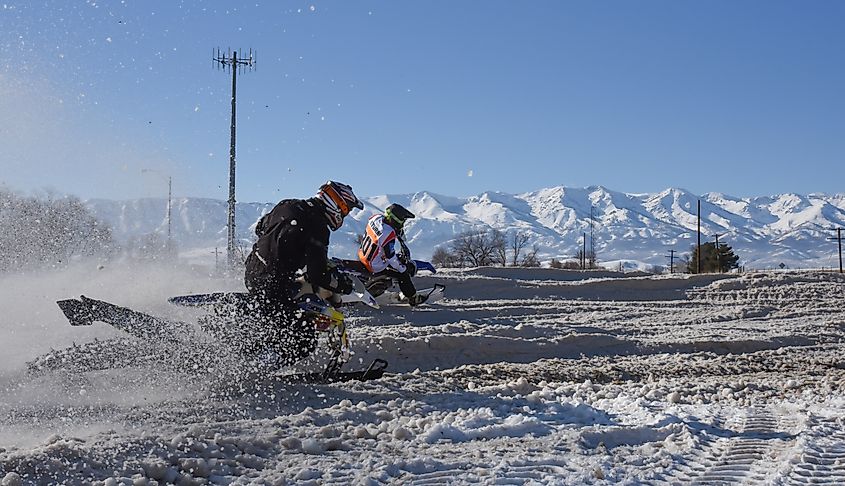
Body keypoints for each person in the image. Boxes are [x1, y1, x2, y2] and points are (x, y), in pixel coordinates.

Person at [240, 180, 363, 364]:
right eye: (346, 209)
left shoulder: (288, 204)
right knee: (303, 339)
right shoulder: (318, 226)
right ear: (336, 204)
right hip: (274, 284)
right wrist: (343, 284)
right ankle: (256, 368)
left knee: (282, 318)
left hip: (252, 271)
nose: (345, 215)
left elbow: (260, 227)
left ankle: (256, 351)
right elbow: (318, 275)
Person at [357, 203, 425, 306]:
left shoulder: (376, 218)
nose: (403, 223)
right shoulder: (388, 233)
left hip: (363, 255)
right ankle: (413, 298)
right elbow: (390, 257)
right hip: (375, 265)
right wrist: (402, 268)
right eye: (403, 220)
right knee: (403, 274)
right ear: (397, 220)